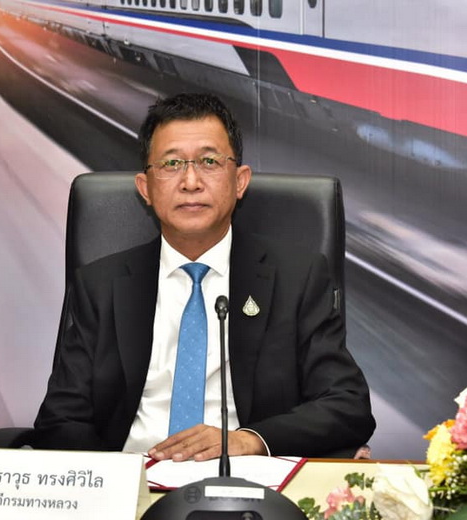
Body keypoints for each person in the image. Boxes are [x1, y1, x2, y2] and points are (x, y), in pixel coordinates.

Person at [27, 93, 375, 460]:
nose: (190, 181)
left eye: (209, 161)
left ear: (240, 181)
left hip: (244, 480)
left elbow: (346, 404)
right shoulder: (100, 286)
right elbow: (60, 419)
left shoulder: (296, 278)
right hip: (133, 478)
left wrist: (250, 440)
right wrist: (119, 479)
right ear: (145, 188)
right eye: (171, 163)